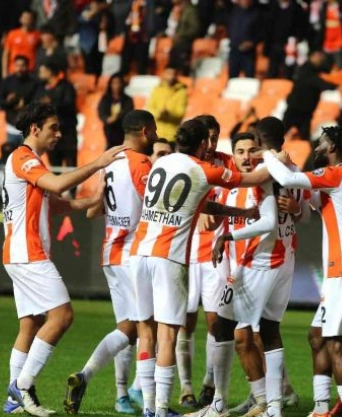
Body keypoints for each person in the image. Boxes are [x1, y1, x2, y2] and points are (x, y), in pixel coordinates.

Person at [128, 119, 270, 417]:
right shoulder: (204, 169)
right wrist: (275, 158)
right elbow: (254, 178)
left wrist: (240, 212)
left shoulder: (162, 163)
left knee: (146, 333)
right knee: (168, 335)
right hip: (168, 256)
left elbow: (200, 204)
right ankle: (161, 409)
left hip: (138, 253)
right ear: (203, 143)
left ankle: (149, 408)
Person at [3, 102, 126, 416]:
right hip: (26, 252)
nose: (58, 134)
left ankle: (13, 401)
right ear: (35, 129)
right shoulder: (23, 157)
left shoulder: (32, 164)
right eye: (53, 128)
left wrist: (93, 200)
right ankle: (22, 385)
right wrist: (98, 163)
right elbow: (58, 185)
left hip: (20, 253)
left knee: (31, 324)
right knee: (62, 316)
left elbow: (55, 204)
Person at [262, 126, 342, 417]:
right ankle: (322, 408)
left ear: (332, 145)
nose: (317, 146)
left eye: (322, 142)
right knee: (317, 336)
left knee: (337, 345)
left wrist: (267, 154)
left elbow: (288, 179)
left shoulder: (338, 173)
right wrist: (295, 199)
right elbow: (307, 199)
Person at [205, 119, 308, 417]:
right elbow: (218, 220)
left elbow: (274, 220)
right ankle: (268, 401)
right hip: (256, 264)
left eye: (253, 149)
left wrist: (227, 238)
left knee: (233, 331)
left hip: (262, 263)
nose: (248, 155)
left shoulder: (265, 176)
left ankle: (227, 403)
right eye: (240, 151)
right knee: (261, 332)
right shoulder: (238, 184)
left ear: (261, 146)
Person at [65, 110, 159, 415]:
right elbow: (157, 206)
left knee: (127, 329)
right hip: (132, 255)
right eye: (154, 130)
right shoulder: (140, 163)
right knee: (150, 327)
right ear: (144, 131)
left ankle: (90, 379)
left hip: (110, 253)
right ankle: (150, 403)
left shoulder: (111, 161)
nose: (156, 135)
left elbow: (96, 208)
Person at [176, 115, 231, 409]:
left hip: (215, 257)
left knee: (215, 323)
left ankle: (209, 384)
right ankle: (185, 388)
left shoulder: (227, 163)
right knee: (184, 323)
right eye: (206, 138)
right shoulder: (185, 164)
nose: (210, 144)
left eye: (215, 138)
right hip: (184, 252)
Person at [35, 61, 78, 173]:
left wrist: (52, 103)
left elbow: (69, 105)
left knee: (71, 164)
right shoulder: (41, 88)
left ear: (50, 72)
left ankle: (72, 185)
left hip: (67, 131)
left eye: (43, 71)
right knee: (54, 163)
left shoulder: (66, 87)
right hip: (50, 131)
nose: (40, 73)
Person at [283, 51, 336, 140]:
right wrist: (334, 87)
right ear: (312, 56)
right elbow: (317, 81)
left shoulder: (319, 70)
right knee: (281, 132)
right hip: (295, 107)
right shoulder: (305, 69)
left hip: (307, 110)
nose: (319, 59)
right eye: (318, 56)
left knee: (305, 137)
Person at [0, 55, 39, 145]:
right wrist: (8, 101)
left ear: (27, 66)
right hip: (11, 128)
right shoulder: (7, 81)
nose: (19, 68)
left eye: (22, 65)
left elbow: (37, 102)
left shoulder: (34, 83)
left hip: (27, 129)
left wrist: (24, 103)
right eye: (17, 65)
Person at [264, 0, 307, 79]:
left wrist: (297, 40)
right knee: (272, 72)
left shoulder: (297, 8)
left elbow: (302, 27)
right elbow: (267, 27)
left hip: (290, 46)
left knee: (288, 73)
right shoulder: (271, 6)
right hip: (274, 45)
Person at [146, 66, 188, 142]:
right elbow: (150, 107)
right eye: (169, 74)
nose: (171, 76)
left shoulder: (182, 91)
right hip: (156, 133)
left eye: (173, 74)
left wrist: (168, 114)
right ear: (164, 74)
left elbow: (181, 112)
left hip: (172, 135)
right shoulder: (157, 89)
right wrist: (159, 114)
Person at [79, 0, 116, 78]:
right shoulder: (87, 10)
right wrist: (93, 12)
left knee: (100, 66)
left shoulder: (107, 13)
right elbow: (82, 20)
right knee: (89, 67)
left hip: (103, 42)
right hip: (88, 44)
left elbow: (112, 25)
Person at [99, 74, 135, 149]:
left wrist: (116, 117)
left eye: (119, 83)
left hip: (123, 132)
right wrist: (107, 119)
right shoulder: (105, 99)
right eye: (114, 83)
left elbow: (127, 112)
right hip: (109, 132)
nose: (117, 86)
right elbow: (101, 112)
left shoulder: (128, 100)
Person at [228, 0, 262, 78]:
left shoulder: (257, 13)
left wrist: (252, 42)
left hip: (249, 53)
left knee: (249, 78)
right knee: (232, 78)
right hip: (234, 50)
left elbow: (261, 33)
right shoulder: (232, 10)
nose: (245, 1)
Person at [3, 10, 40, 78]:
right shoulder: (12, 34)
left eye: (29, 18)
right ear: (20, 19)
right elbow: (6, 54)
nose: (26, 20)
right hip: (13, 70)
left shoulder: (37, 35)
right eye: (25, 17)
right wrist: (4, 73)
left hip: (30, 71)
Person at [168, 0, 201, 76]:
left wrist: (181, 35)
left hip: (185, 46)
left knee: (181, 68)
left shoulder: (191, 11)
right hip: (177, 45)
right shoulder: (183, 10)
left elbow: (195, 29)